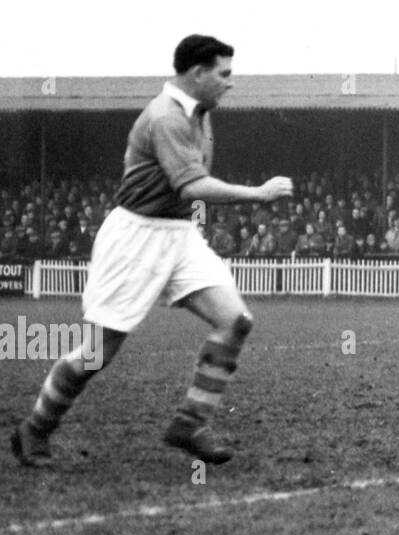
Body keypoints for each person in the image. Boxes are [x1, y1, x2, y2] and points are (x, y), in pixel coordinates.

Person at [11, 35, 295, 467]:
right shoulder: (166, 117)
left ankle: (190, 421)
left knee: (234, 321)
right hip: (135, 237)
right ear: (197, 73)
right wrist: (259, 194)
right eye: (224, 74)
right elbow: (193, 186)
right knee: (96, 353)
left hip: (178, 233)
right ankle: (35, 429)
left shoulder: (199, 111)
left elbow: (187, 191)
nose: (229, 84)